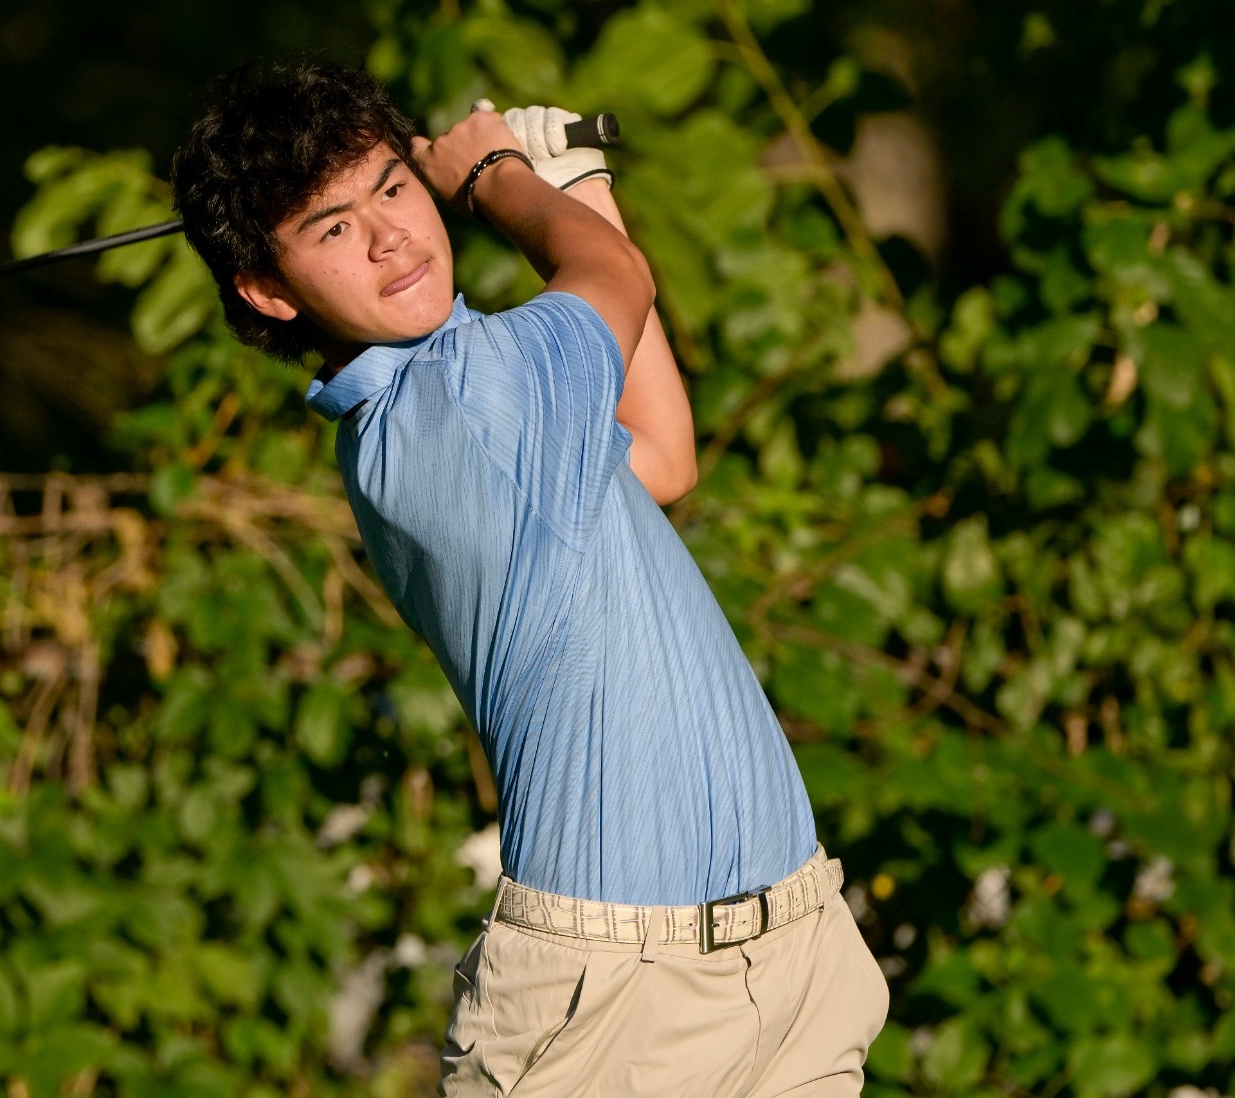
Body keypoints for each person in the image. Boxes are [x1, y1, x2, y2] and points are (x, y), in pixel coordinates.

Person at [170, 60, 889, 1096]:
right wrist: (501, 177)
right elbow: (616, 285)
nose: (387, 237)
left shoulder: (485, 387)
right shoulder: (455, 405)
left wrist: (575, 182)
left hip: (789, 962)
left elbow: (659, 454)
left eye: (391, 187)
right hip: (611, 1007)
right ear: (268, 291)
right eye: (330, 229)